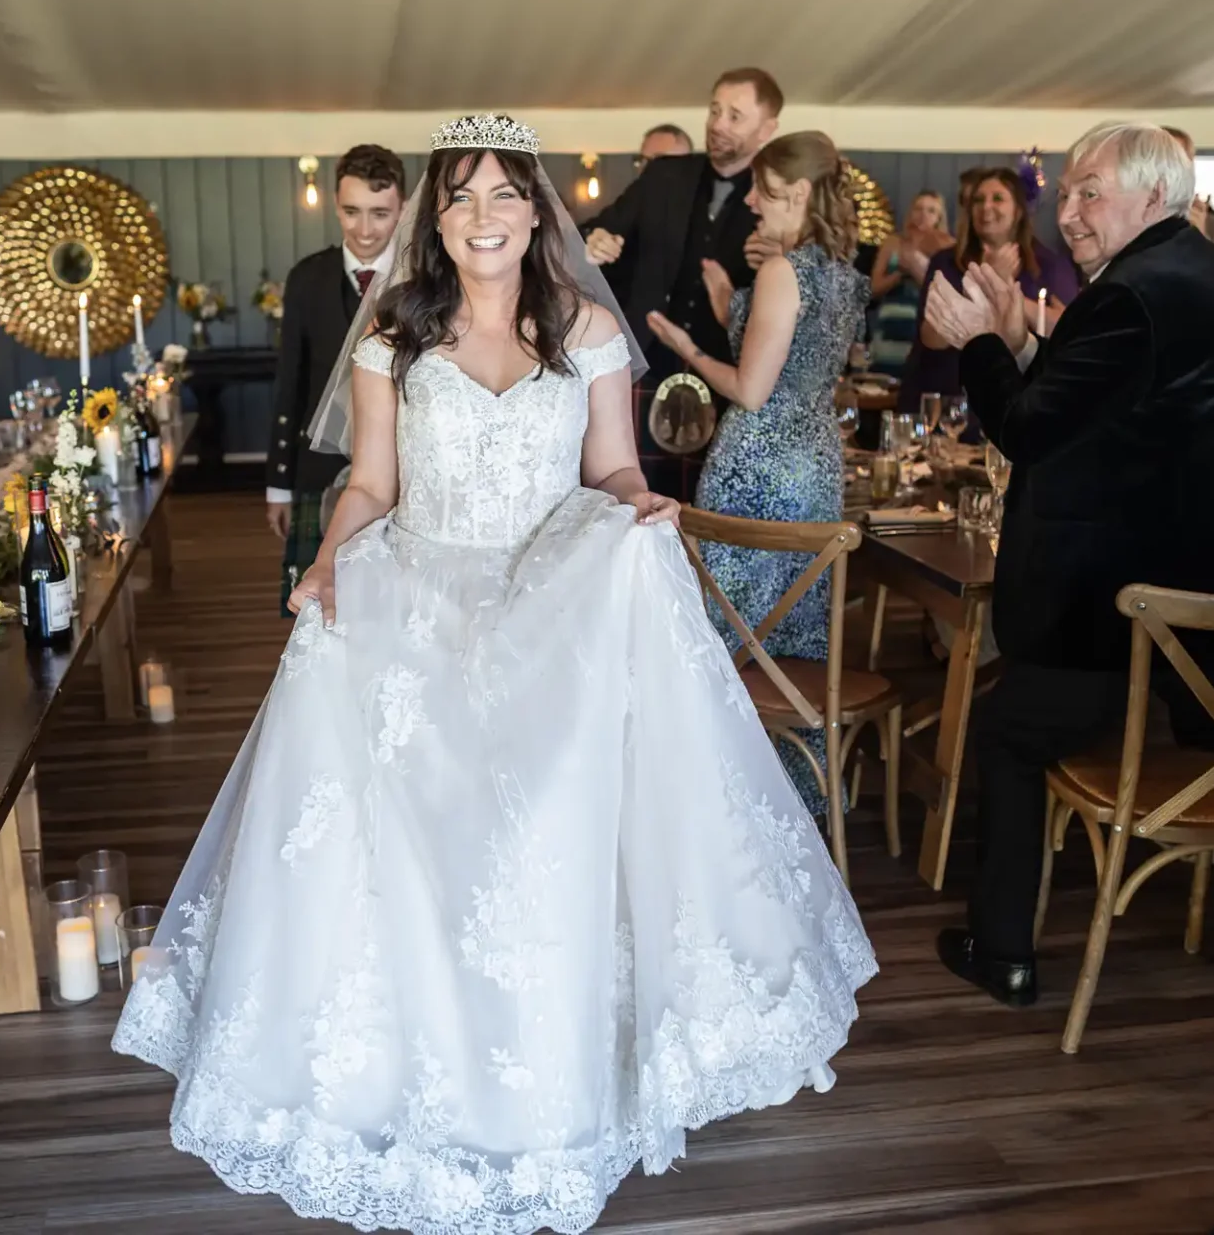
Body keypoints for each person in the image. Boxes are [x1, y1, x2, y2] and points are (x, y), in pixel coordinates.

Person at [111, 115, 875, 1235]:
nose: (481, 215)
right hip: (418, 593)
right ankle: (416, 1056)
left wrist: (635, 501)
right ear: (438, 213)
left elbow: (612, 460)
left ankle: (545, 1069)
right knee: (413, 834)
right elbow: (367, 483)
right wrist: (328, 556)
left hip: (551, 599)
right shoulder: (393, 333)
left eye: (501, 194)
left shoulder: (589, 331)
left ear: (536, 209)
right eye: (459, 194)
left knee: (540, 835)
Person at [923, 121, 1214, 1007]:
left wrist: (979, 342)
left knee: (1009, 733)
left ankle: (1003, 949)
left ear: (1154, 197)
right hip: (1213, 593)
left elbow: (1031, 431)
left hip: (1133, 599)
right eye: (1071, 193)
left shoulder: (1132, 293)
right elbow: (1112, 402)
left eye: (1092, 192)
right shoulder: (1198, 272)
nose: (1071, 211)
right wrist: (1016, 345)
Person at [644, 131, 868, 811]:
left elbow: (750, 388)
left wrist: (687, 346)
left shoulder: (783, 271)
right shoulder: (844, 272)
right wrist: (726, 305)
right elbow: (798, 359)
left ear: (797, 194)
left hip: (758, 464)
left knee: (733, 630)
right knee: (789, 629)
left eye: (762, 190)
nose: (747, 198)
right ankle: (791, 795)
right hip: (816, 465)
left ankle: (724, 795)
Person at [582, 67, 783, 499]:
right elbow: (596, 231)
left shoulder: (774, 195)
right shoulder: (664, 176)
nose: (717, 125)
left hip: (728, 373)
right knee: (631, 502)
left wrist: (779, 259)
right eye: (714, 111)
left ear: (768, 128)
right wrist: (594, 241)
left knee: (710, 509)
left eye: (735, 116)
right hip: (645, 362)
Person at [266, 145, 406, 614]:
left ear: (403, 208)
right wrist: (278, 485)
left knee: (389, 605)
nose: (364, 229)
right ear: (335, 204)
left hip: (402, 469)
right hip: (317, 466)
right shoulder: (306, 277)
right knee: (312, 604)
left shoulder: (424, 280)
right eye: (351, 212)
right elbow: (290, 381)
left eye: (380, 213)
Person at [901, 167, 1081, 434]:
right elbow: (931, 337)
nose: (986, 207)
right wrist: (982, 285)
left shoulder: (1048, 265)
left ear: (1018, 210)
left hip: (1012, 407)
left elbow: (1067, 331)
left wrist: (1003, 290)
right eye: (978, 200)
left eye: (998, 198)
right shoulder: (946, 262)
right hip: (941, 403)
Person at [866, 190, 952, 372]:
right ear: (910, 212)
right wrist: (899, 274)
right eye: (918, 209)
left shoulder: (947, 246)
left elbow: (948, 296)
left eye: (931, 211)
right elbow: (872, 289)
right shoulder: (893, 243)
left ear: (939, 217)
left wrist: (916, 269)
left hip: (925, 327)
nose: (923, 215)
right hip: (890, 322)